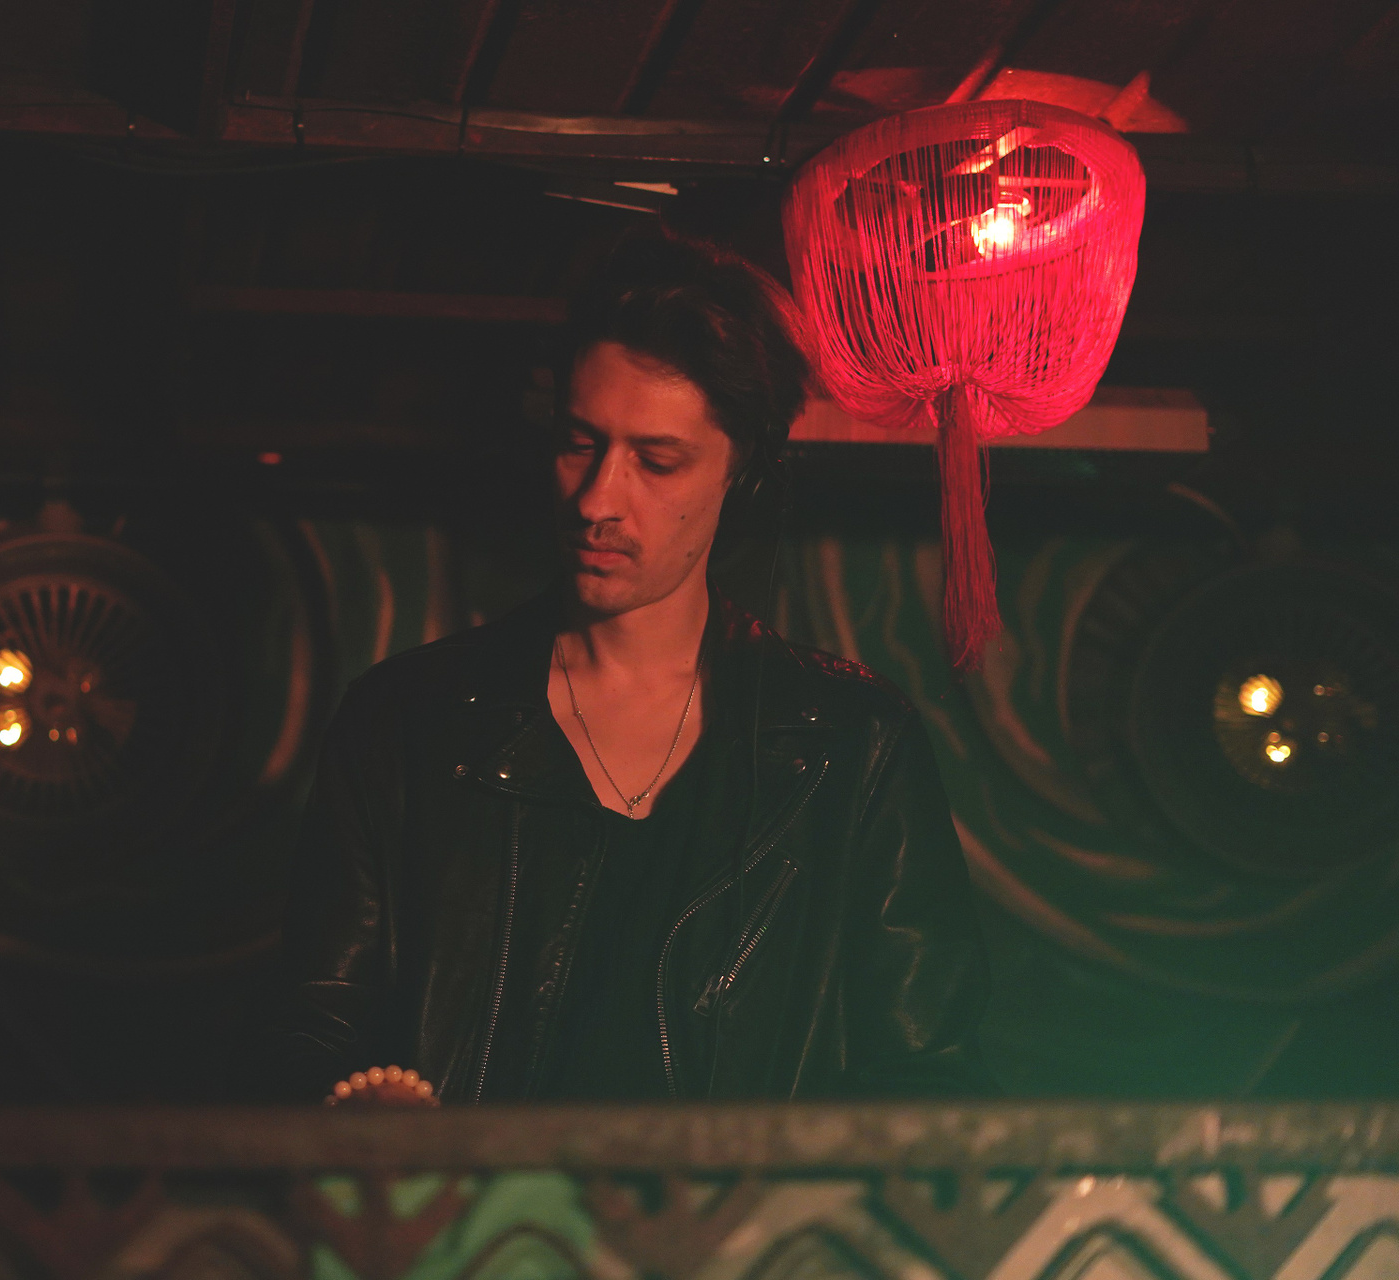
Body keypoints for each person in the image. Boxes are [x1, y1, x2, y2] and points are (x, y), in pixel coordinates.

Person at [274, 233, 992, 1104]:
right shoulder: (406, 721)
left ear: (742, 474)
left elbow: (925, 1082)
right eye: (580, 444)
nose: (597, 500)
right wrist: (366, 1118)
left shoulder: (851, 745)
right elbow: (311, 1028)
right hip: (467, 1197)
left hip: (738, 1201)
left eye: (657, 461)